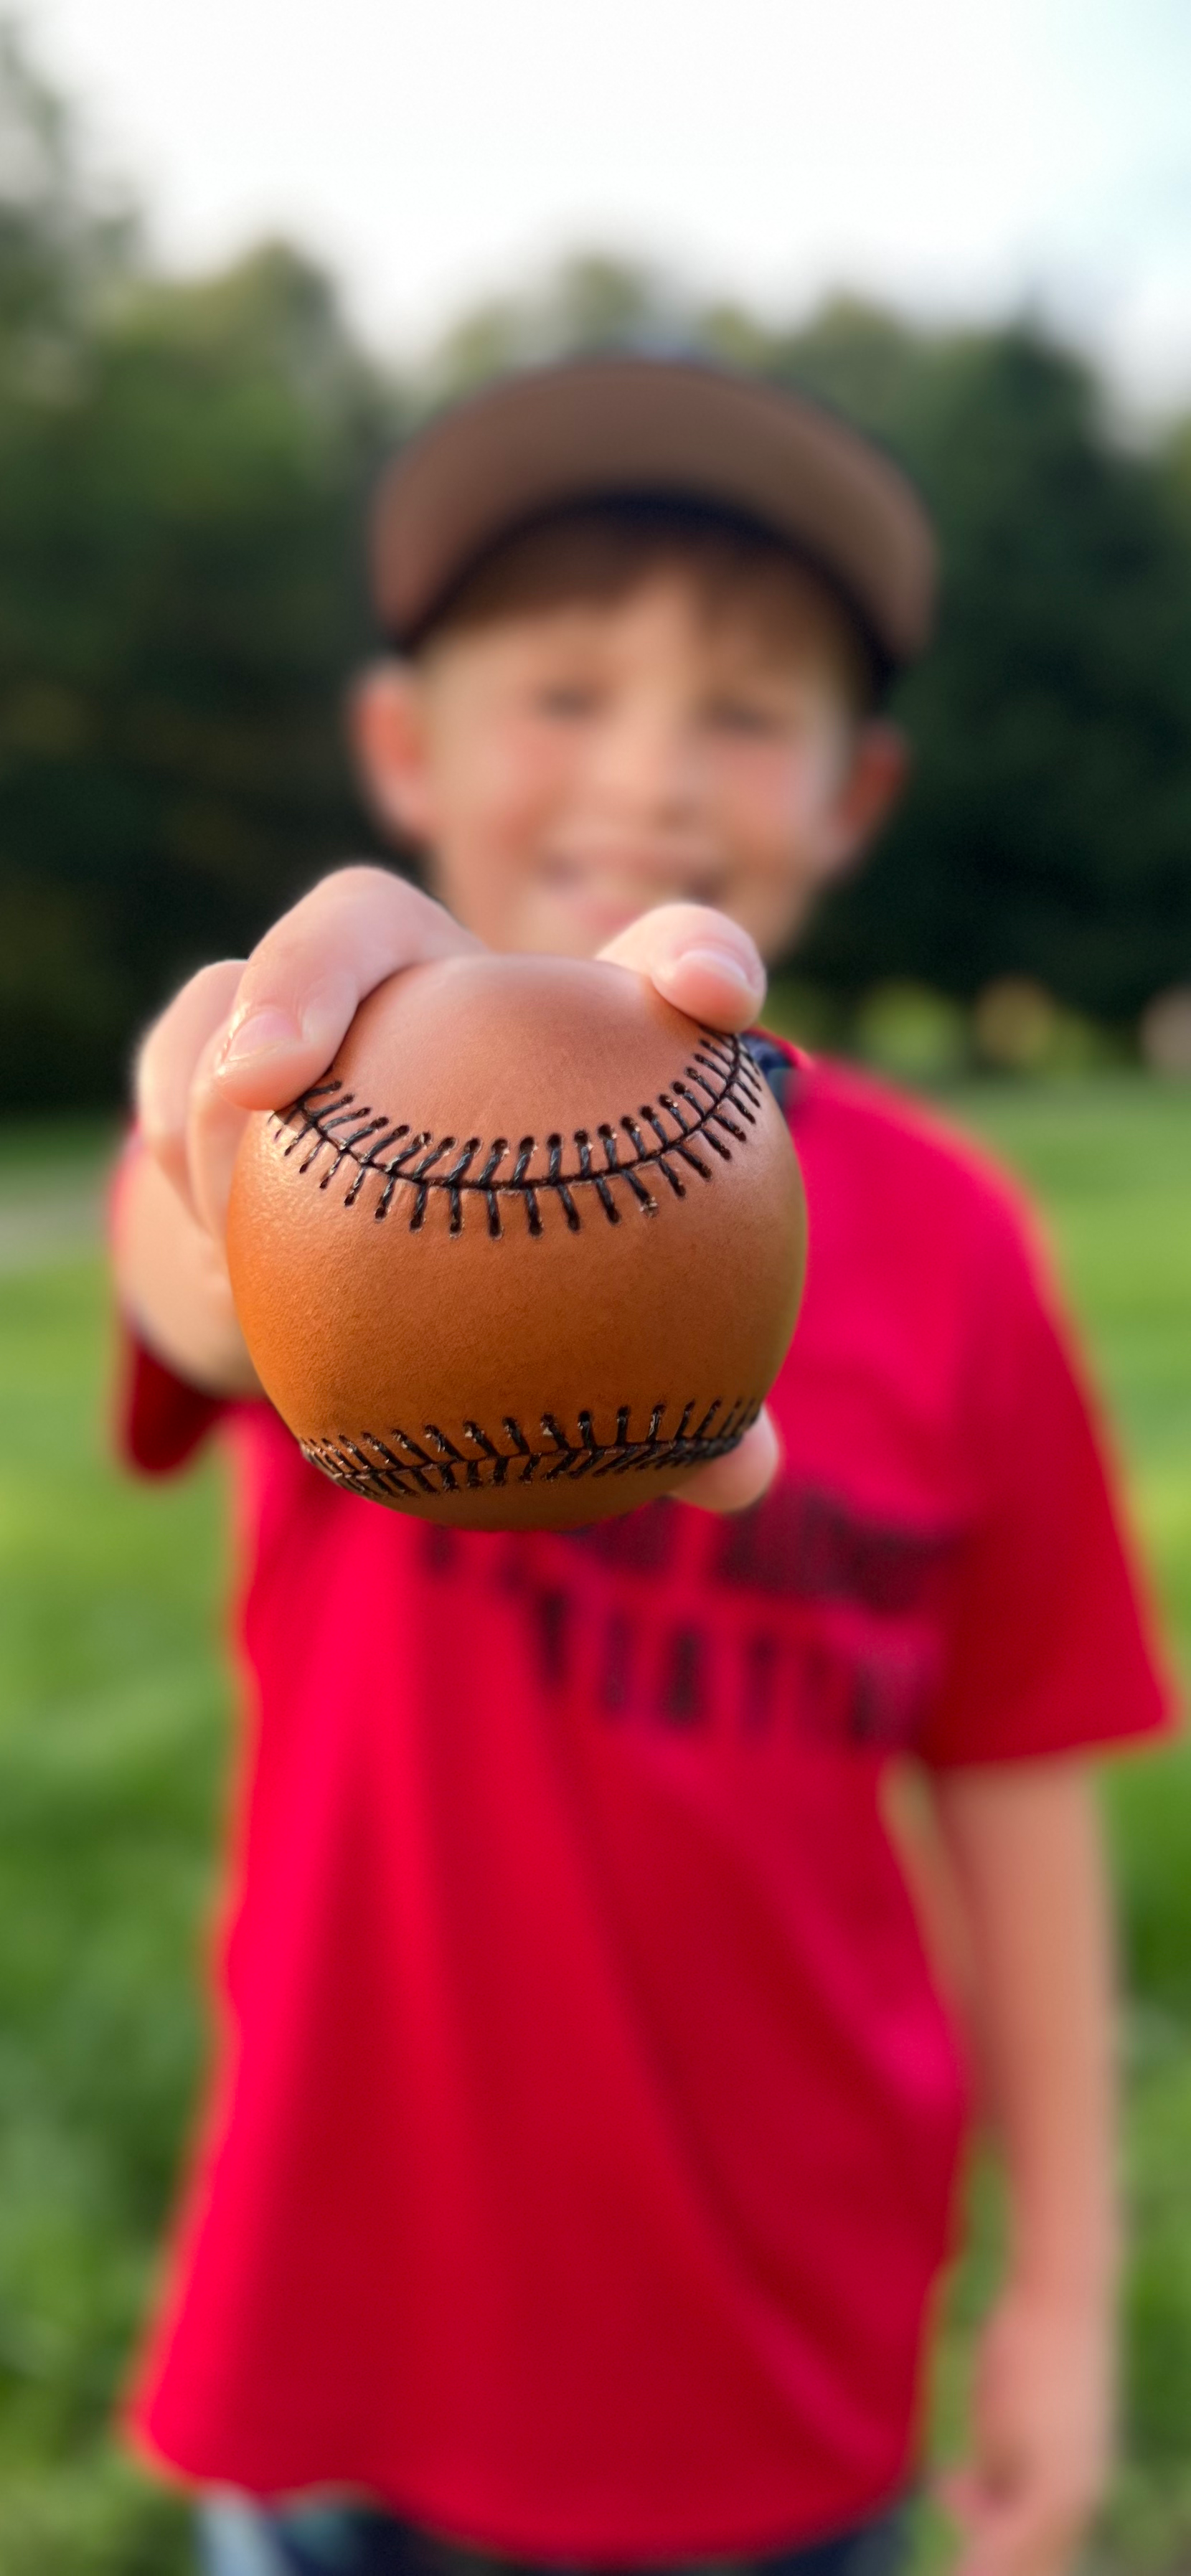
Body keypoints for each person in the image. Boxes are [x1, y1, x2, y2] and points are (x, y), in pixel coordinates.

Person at [111, 355, 1172, 2576]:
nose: (649, 779)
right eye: (566, 692)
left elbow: (1021, 1795)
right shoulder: (317, 1147)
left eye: (742, 712)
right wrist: (217, 1152)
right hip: (358, 2370)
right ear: (404, 749)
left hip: (783, 2379)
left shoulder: (959, 1249)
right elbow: (188, 1286)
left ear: (853, 790)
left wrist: (1064, 2300)